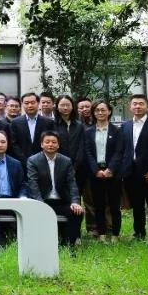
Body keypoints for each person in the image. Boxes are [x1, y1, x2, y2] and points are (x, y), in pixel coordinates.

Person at [107, 94, 148, 242]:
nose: (137, 106)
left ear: (147, 106)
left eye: (141, 103)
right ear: (130, 106)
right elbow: (121, 150)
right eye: (135, 104)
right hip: (130, 172)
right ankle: (139, 234)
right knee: (137, 205)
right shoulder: (125, 126)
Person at [26, 131, 84, 249]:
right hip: (43, 201)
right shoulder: (33, 160)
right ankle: (43, 245)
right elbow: (33, 184)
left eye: (53, 142)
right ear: (41, 144)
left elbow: (72, 183)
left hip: (61, 201)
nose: (50, 144)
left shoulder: (66, 161)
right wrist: (40, 204)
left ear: (58, 145)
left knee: (77, 212)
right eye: (47, 142)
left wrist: (75, 202)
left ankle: (68, 245)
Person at [84, 100, 121, 242]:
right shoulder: (88, 132)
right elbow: (88, 152)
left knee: (114, 205)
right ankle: (102, 234)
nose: (100, 112)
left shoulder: (117, 131)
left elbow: (119, 151)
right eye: (97, 110)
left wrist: (111, 169)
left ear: (109, 111)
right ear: (93, 113)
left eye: (103, 110)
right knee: (98, 205)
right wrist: (96, 170)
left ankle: (115, 234)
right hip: (96, 173)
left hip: (113, 172)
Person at [54, 94, 88, 235]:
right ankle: (61, 231)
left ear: (72, 107)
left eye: (68, 105)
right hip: (57, 168)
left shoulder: (79, 125)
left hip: (77, 169)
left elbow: (82, 147)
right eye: (62, 105)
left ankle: (76, 233)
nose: (65, 107)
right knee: (61, 197)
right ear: (57, 107)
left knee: (75, 198)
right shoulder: (53, 124)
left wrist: (74, 166)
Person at [8, 92, 56, 163]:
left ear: (38, 103)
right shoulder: (15, 123)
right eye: (26, 103)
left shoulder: (48, 122)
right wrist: (24, 160)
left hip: (43, 161)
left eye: (33, 102)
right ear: (22, 105)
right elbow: (14, 144)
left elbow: (50, 142)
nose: (30, 105)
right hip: (21, 162)